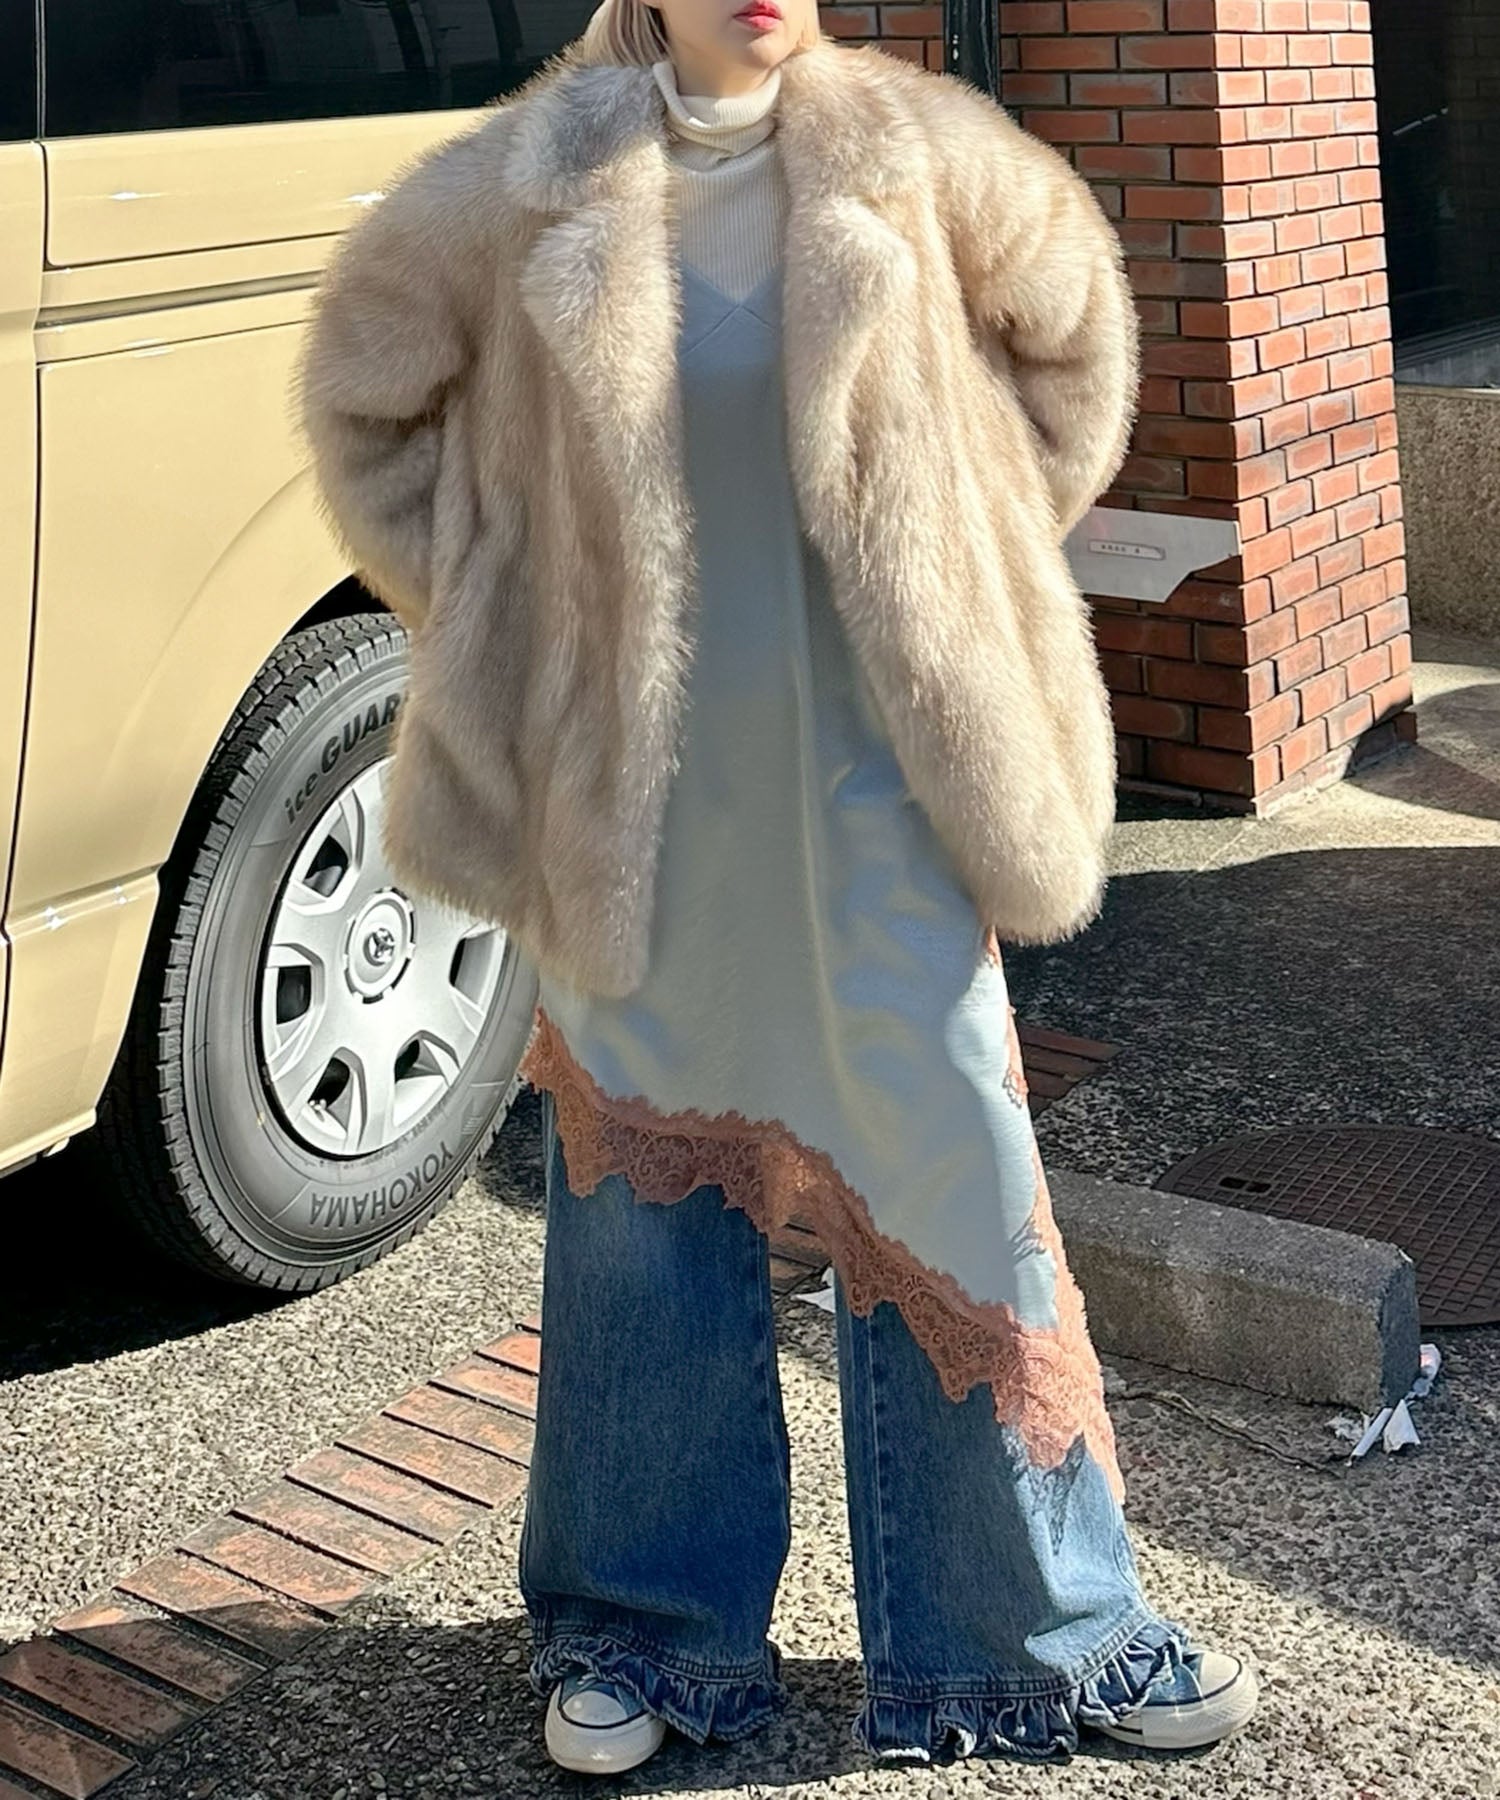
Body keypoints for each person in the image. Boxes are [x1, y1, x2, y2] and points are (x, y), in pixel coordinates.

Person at [295, 0, 1260, 1775]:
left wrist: (968, 559)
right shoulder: (514, 184)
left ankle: (1033, 1634)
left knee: (953, 1158)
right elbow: (365, 402)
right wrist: (508, 611)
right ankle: (644, 1636)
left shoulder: (928, 150)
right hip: (640, 808)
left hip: (884, 790)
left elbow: (1076, 350)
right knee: (642, 1207)